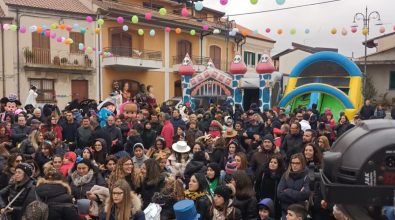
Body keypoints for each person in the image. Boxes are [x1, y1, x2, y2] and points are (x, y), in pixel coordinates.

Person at [277, 153, 310, 219]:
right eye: (293, 163)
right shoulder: (286, 174)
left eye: (297, 163)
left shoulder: (307, 176)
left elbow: (305, 194)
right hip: (285, 211)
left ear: (302, 164)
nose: (294, 165)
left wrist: (288, 191)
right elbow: (279, 194)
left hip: (299, 213)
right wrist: (298, 197)